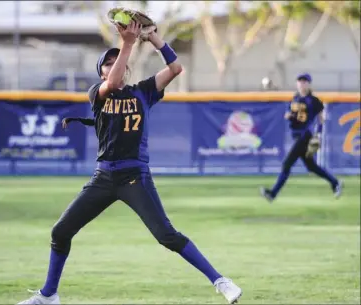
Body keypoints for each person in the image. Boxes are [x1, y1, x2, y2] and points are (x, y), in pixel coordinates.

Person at [18, 21, 242, 305]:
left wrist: (155, 40)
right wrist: (127, 43)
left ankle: (221, 281)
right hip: (103, 178)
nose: (114, 66)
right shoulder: (97, 93)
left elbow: (175, 69)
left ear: (128, 68)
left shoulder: (144, 91)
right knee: (60, 231)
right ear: (100, 73)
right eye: (107, 64)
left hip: (134, 177)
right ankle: (49, 295)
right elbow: (111, 83)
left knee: (166, 235)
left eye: (118, 62)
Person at [261, 73, 343, 202]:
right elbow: (292, 115)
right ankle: (335, 182)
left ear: (309, 84)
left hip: (305, 135)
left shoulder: (313, 100)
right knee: (311, 167)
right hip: (297, 135)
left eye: (305, 81)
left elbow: (321, 118)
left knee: (286, 164)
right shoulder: (295, 98)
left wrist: (319, 134)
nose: (302, 83)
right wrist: (289, 116)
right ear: (297, 83)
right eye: (300, 81)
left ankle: (273, 193)